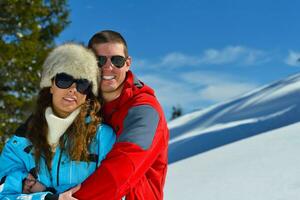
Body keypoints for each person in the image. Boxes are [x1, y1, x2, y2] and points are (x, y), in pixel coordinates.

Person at [0, 43, 116, 200]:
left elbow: (113, 191)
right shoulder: (21, 142)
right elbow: (4, 195)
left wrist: (42, 191)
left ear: (88, 93)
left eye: (82, 83)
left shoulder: (103, 137)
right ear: (51, 85)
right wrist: (49, 198)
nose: (72, 89)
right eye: (64, 79)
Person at [73, 30, 169, 199]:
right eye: (99, 60)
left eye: (117, 60)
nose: (108, 67)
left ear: (127, 63)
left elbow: (123, 168)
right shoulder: (79, 102)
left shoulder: (145, 110)